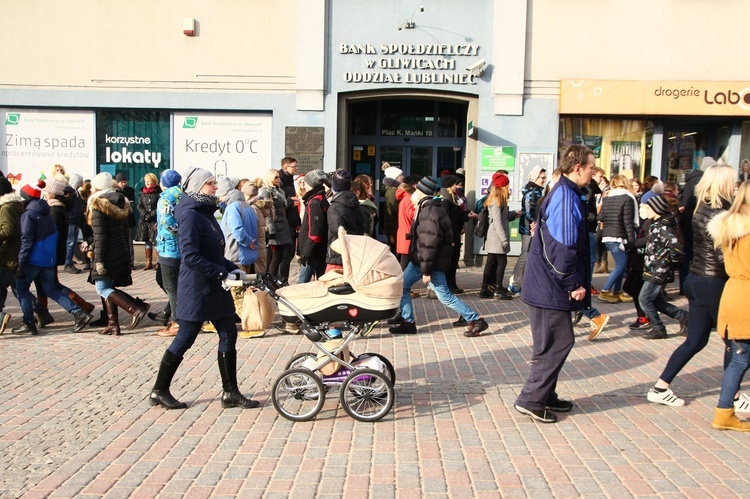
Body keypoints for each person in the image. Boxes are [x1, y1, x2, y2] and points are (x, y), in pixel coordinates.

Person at [149, 167, 259, 410]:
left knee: (229, 333)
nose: (215, 187)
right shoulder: (190, 214)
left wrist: (233, 269)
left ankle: (230, 392)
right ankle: (159, 389)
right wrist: (222, 272)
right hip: (196, 288)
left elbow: (215, 253)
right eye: (211, 183)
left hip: (214, 287)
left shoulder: (206, 212)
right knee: (184, 339)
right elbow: (190, 257)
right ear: (198, 187)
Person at [514, 145, 594, 424]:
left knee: (549, 342)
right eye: (591, 167)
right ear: (577, 168)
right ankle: (531, 399)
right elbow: (561, 247)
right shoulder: (564, 196)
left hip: (546, 284)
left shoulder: (566, 193)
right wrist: (573, 282)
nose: (593, 172)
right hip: (551, 285)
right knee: (558, 342)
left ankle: (545, 394)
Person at [647, 164, 735, 407]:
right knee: (736, 342)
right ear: (724, 184)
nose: (735, 186)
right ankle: (734, 397)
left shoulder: (700, 208)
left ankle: (660, 387)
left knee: (696, 340)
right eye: (733, 181)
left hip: (697, 278)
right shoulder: (719, 213)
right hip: (712, 281)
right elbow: (721, 255)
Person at [389, 176, 489, 337]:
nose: (413, 193)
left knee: (445, 296)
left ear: (422, 192)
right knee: (402, 286)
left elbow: (430, 244)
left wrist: (426, 271)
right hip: (419, 260)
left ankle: (475, 319)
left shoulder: (430, 212)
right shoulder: (427, 208)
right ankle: (408, 322)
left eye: (416, 190)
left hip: (429, 262)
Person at [13, 180, 93, 335]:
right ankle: (79, 312)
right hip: (48, 258)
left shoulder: (29, 215)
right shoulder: (46, 212)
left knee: (21, 287)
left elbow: (26, 240)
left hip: (33, 259)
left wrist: (21, 263)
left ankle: (28, 322)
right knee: (51, 289)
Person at [707, 181, 750, 431]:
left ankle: (726, 410)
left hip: (734, 291)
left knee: (739, 354)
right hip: (744, 295)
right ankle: (724, 410)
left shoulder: (731, 228)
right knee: (740, 357)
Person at [87, 172, 151, 336]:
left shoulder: (98, 205)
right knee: (109, 287)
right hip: (119, 250)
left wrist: (99, 261)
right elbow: (124, 232)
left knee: (102, 288)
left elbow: (100, 236)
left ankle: (135, 309)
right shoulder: (119, 202)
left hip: (106, 253)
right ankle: (113, 324)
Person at [637, 195, 688, 340]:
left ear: (656, 209)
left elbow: (676, 248)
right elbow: (653, 245)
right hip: (652, 267)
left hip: (659, 269)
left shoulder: (663, 227)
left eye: (648, 208)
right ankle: (683, 316)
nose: (645, 211)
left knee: (644, 298)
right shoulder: (655, 224)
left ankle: (658, 328)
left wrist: (670, 264)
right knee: (656, 301)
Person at [149, 169, 182, 337]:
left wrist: (171, 230)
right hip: (180, 247)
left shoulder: (166, 198)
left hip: (169, 247)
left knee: (170, 285)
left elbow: (167, 221)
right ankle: (167, 312)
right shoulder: (183, 194)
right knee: (168, 282)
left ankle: (177, 322)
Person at [597, 175, 638, 303]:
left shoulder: (607, 197)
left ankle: (617, 291)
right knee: (621, 265)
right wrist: (632, 242)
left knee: (622, 264)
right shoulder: (628, 198)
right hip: (619, 236)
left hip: (607, 235)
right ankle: (605, 290)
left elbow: (601, 217)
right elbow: (628, 223)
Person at [678, 156, 715, 296]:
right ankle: (688, 287)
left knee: (687, 257)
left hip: (688, 223)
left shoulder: (691, 181)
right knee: (695, 257)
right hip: (694, 225)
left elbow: (686, 204)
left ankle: (684, 286)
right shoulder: (700, 182)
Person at [479, 172, 518, 300]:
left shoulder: (498, 199)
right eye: (507, 185)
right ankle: (497, 288)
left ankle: (486, 289)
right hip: (496, 236)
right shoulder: (496, 200)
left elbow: (501, 217)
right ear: (502, 187)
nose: (509, 187)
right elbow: (497, 221)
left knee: (491, 262)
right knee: (502, 262)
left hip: (495, 235)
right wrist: (504, 240)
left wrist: (514, 213)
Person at [509, 165, 546, 296]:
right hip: (528, 230)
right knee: (525, 255)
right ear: (536, 178)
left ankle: (523, 283)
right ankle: (514, 283)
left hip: (532, 228)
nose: (544, 180)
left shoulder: (537, 192)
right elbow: (530, 213)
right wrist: (537, 223)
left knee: (529, 256)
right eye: (542, 177)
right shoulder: (531, 193)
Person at [326, 169, 366, 273]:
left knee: (330, 286)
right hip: (354, 254)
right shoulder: (356, 204)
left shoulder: (334, 208)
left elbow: (339, 234)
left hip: (338, 257)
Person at [259, 169, 293, 283]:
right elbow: (266, 211)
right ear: (270, 178)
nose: (279, 179)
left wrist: (289, 201)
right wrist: (271, 229)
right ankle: (270, 280)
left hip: (283, 226)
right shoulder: (266, 192)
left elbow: (283, 207)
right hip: (275, 227)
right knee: (275, 256)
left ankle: (276, 279)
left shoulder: (280, 191)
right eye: (276, 177)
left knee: (282, 255)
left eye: (279, 177)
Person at [296, 169, 329, 283]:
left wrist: (306, 253)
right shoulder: (316, 198)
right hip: (317, 251)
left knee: (300, 284)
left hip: (313, 253)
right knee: (320, 282)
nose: (303, 184)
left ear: (311, 183)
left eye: (305, 182)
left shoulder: (315, 201)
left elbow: (315, 232)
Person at [0, 177, 23, 333]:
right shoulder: (15, 205)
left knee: (15, 286)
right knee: (15, 286)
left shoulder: (6, 208)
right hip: (11, 253)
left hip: (8, 253)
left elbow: (7, 231)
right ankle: (40, 312)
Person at [278, 157, 301, 281]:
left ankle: (283, 278)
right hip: (284, 223)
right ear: (285, 167)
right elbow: (278, 203)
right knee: (285, 254)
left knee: (289, 252)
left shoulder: (289, 180)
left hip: (291, 221)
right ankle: (281, 279)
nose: (296, 169)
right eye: (294, 166)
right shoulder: (281, 181)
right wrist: (290, 202)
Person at [243, 179, 272, 274]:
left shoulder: (251, 208)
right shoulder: (259, 207)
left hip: (253, 246)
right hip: (260, 244)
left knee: (253, 277)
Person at [136, 173, 162, 271]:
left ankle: (158, 262)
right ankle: (148, 262)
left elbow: (159, 206)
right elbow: (139, 206)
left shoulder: (158, 192)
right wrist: (145, 214)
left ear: (154, 182)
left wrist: (152, 214)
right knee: (147, 241)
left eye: (149, 182)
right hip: (144, 220)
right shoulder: (142, 193)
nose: (147, 184)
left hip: (154, 219)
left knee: (156, 240)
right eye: (146, 182)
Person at [63, 173, 85, 274]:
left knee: (73, 242)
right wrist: (71, 217)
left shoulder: (76, 192)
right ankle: (68, 263)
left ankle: (69, 262)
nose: (83, 183)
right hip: (72, 221)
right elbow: (68, 206)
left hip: (76, 221)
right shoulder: (69, 192)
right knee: (70, 242)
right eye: (81, 181)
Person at [380, 163, 403, 255]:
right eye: (400, 175)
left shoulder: (393, 189)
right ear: (395, 178)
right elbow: (394, 209)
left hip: (392, 224)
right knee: (394, 250)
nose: (403, 177)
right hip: (393, 225)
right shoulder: (392, 191)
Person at [115, 173, 137, 269]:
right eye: (121, 182)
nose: (123, 184)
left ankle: (130, 262)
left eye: (124, 182)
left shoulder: (130, 190)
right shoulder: (115, 191)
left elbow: (130, 203)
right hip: (119, 220)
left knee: (129, 242)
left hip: (128, 220)